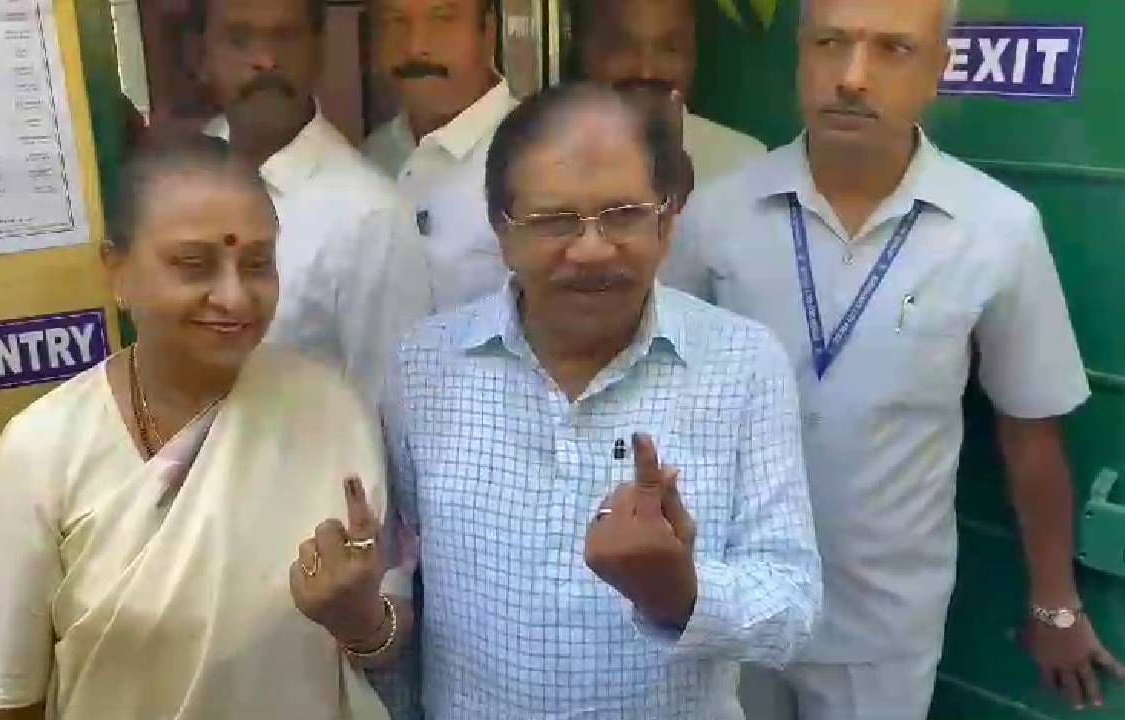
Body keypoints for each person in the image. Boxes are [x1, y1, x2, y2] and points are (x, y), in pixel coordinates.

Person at [662, 0, 1125, 717]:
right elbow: (659, 392)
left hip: (883, 634)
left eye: (891, 50)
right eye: (830, 44)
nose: (852, 76)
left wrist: (1056, 604)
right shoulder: (715, 216)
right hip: (731, 604)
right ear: (800, 57)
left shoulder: (996, 230)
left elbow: (1031, 432)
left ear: (939, 72)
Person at [381, 83, 821, 719]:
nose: (591, 249)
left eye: (623, 215)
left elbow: (794, 604)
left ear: (667, 224)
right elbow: (400, 567)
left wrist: (683, 591)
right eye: (555, 220)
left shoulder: (743, 365)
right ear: (502, 232)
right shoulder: (424, 367)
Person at [0, 138, 403, 720]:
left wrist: (359, 619)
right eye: (194, 265)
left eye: (257, 263)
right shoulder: (42, 449)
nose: (233, 296)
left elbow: (383, 637)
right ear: (116, 269)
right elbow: (8, 699)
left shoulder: (330, 409)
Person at [192, 0, 432, 401]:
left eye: (285, 38)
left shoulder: (369, 215)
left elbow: (395, 405)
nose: (266, 61)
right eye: (239, 40)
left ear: (318, 53)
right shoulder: (193, 168)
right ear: (203, 57)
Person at [364, 0, 517, 311]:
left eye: (443, 19)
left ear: (487, 31)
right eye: (396, 21)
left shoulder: (538, 155)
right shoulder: (369, 159)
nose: (416, 47)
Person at [575, 0, 766, 189]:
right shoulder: (549, 162)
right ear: (586, 52)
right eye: (623, 47)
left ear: (693, 55)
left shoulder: (744, 165)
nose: (646, 70)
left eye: (669, 48)